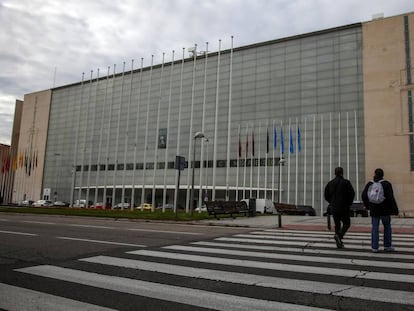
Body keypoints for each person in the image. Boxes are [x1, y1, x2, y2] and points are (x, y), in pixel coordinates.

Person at [361, 168, 398, 253]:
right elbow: (390, 198)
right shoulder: (386, 184)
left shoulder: (370, 183)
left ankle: (374, 247)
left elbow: (363, 195)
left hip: (374, 210)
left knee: (375, 228)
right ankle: (387, 246)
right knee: (387, 227)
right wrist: (394, 209)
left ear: (375, 174)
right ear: (382, 175)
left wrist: (368, 206)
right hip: (385, 210)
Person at [324, 167, 355, 248]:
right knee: (347, 223)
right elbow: (352, 194)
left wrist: (331, 202)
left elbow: (326, 195)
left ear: (335, 173)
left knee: (337, 225)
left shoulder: (330, 183)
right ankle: (339, 235)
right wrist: (349, 203)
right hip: (344, 207)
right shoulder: (346, 182)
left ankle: (339, 243)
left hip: (334, 207)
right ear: (342, 173)